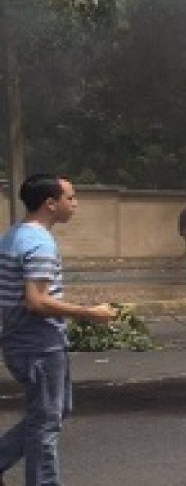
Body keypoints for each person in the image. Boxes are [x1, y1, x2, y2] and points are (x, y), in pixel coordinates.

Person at [0, 174, 119, 485]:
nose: (75, 203)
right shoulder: (39, 242)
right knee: (46, 425)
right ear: (50, 204)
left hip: (22, 340)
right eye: (71, 198)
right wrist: (89, 313)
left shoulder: (14, 235)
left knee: (54, 412)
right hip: (38, 344)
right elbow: (36, 302)